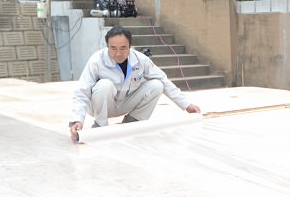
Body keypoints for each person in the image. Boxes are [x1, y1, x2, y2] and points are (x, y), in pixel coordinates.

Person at [69, 26, 201, 142]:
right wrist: (77, 120)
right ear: (107, 46)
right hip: (101, 106)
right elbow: (82, 91)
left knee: (157, 85)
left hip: (125, 103)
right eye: (113, 48)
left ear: (130, 46)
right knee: (104, 85)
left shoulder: (140, 60)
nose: (118, 53)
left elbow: (164, 81)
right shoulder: (96, 61)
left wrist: (186, 104)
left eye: (123, 48)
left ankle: (133, 122)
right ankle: (100, 125)